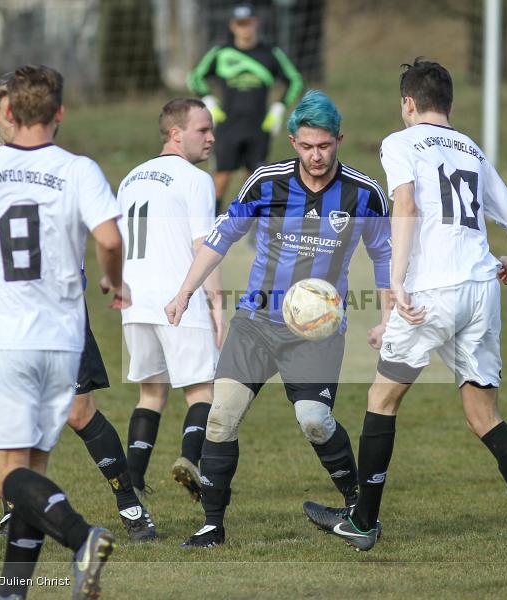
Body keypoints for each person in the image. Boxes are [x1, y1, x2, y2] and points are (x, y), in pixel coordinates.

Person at [301, 59, 507, 565]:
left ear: (408, 103)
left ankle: (362, 523)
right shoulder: (472, 149)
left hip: (431, 293)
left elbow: (405, 205)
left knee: (381, 398)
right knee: (484, 415)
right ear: (448, 104)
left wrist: (397, 282)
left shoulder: (399, 143)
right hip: (481, 289)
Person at [0, 65, 123, 599]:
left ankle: (83, 539)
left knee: (0, 477)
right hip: (64, 342)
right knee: (33, 470)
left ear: (8, 114)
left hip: (5, 342)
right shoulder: (80, 170)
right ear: (59, 113)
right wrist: (113, 278)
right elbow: (108, 237)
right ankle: (11, 593)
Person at [165, 90, 392, 549]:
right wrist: (185, 290)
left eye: (325, 146)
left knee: (314, 421)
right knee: (220, 418)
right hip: (255, 323)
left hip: (318, 329)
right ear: (292, 141)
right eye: (307, 146)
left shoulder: (363, 193)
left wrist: (388, 319)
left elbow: (386, 256)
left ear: (339, 140)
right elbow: (221, 237)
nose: (316, 155)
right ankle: (213, 525)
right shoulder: (266, 183)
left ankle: (358, 504)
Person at [0, 74, 154, 544]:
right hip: (8, 320)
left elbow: (104, 234)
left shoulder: (67, 169)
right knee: (16, 424)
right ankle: (25, 508)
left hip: (60, 315)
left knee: (78, 412)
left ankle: (129, 503)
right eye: (6, 113)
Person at [115, 98, 222, 524]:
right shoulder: (196, 179)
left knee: (151, 393)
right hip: (179, 296)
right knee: (201, 390)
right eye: (202, 130)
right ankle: (190, 460)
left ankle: (134, 480)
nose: (211, 136)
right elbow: (206, 249)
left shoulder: (129, 178)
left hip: (135, 300)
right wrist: (216, 302)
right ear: (176, 133)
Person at [187, 2, 304, 213]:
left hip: (258, 126)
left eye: (248, 23)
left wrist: (279, 107)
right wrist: (209, 100)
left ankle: (251, 226)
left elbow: (294, 80)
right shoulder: (221, 52)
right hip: (227, 126)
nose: (245, 28)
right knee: (221, 177)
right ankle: (211, 220)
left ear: (255, 24)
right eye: (240, 24)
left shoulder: (271, 53)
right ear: (233, 26)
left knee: (255, 179)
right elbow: (195, 78)